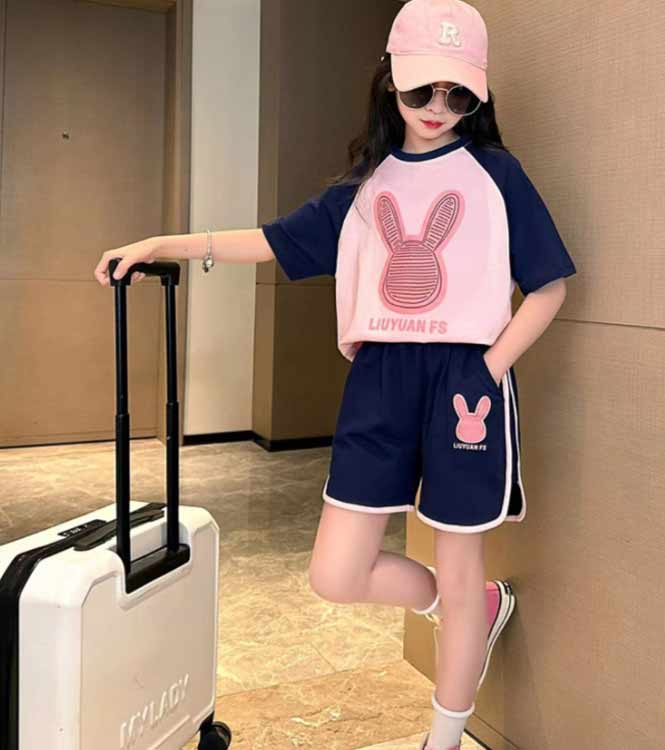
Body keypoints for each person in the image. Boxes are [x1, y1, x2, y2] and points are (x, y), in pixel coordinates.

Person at [94, 1, 577, 747]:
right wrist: (163, 242)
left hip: (465, 385)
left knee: (457, 559)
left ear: (478, 96)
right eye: (420, 89)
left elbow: (549, 287)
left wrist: (488, 369)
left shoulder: (496, 174)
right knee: (337, 574)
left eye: (458, 94)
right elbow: (271, 240)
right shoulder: (365, 188)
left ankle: (445, 735)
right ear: (390, 82)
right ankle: (466, 607)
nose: (437, 107)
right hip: (379, 380)